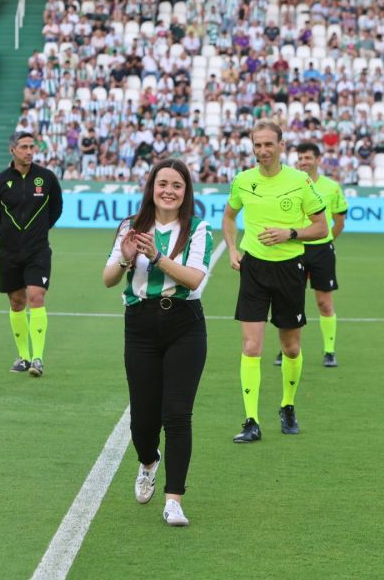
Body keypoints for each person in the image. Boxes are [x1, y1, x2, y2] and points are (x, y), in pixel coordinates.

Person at [103, 159, 212, 526]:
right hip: (140, 325)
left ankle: (174, 499)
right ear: (152, 187)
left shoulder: (197, 229)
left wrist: (157, 257)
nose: (168, 190)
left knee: (178, 414)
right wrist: (125, 257)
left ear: (186, 192)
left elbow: (194, 279)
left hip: (185, 325)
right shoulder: (130, 226)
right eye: (162, 183)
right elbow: (107, 279)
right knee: (143, 422)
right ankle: (149, 460)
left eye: (177, 185)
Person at [222, 121, 328, 443]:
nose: (263, 151)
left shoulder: (299, 181)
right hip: (253, 269)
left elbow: (322, 227)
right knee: (251, 346)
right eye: (258, 145)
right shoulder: (243, 181)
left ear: (282, 146)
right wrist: (231, 248)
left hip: (289, 269)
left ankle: (287, 405)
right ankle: (251, 419)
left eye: (269, 144)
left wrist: (290, 233)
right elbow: (228, 216)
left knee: (291, 347)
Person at [0, 132, 62, 377]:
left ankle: (37, 359)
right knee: (17, 302)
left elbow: (56, 209)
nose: (29, 151)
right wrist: (9, 234)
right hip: (9, 251)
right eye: (24, 147)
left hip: (38, 249)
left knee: (36, 297)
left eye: (32, 147)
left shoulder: (47, 178)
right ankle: (23, 356)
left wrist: (38, 232)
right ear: (13, 150)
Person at [274, 142, 348, 368]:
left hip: (321, 250)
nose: (304, 162)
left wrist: (326, 242)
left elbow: (339, 221)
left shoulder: (332, 187)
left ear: (318, 160)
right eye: (300, 158)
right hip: (294, 248)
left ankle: (329, 350)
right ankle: (287, 348)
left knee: (324, 303)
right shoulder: (290, 184)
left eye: (308, 158)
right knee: (290, 301)